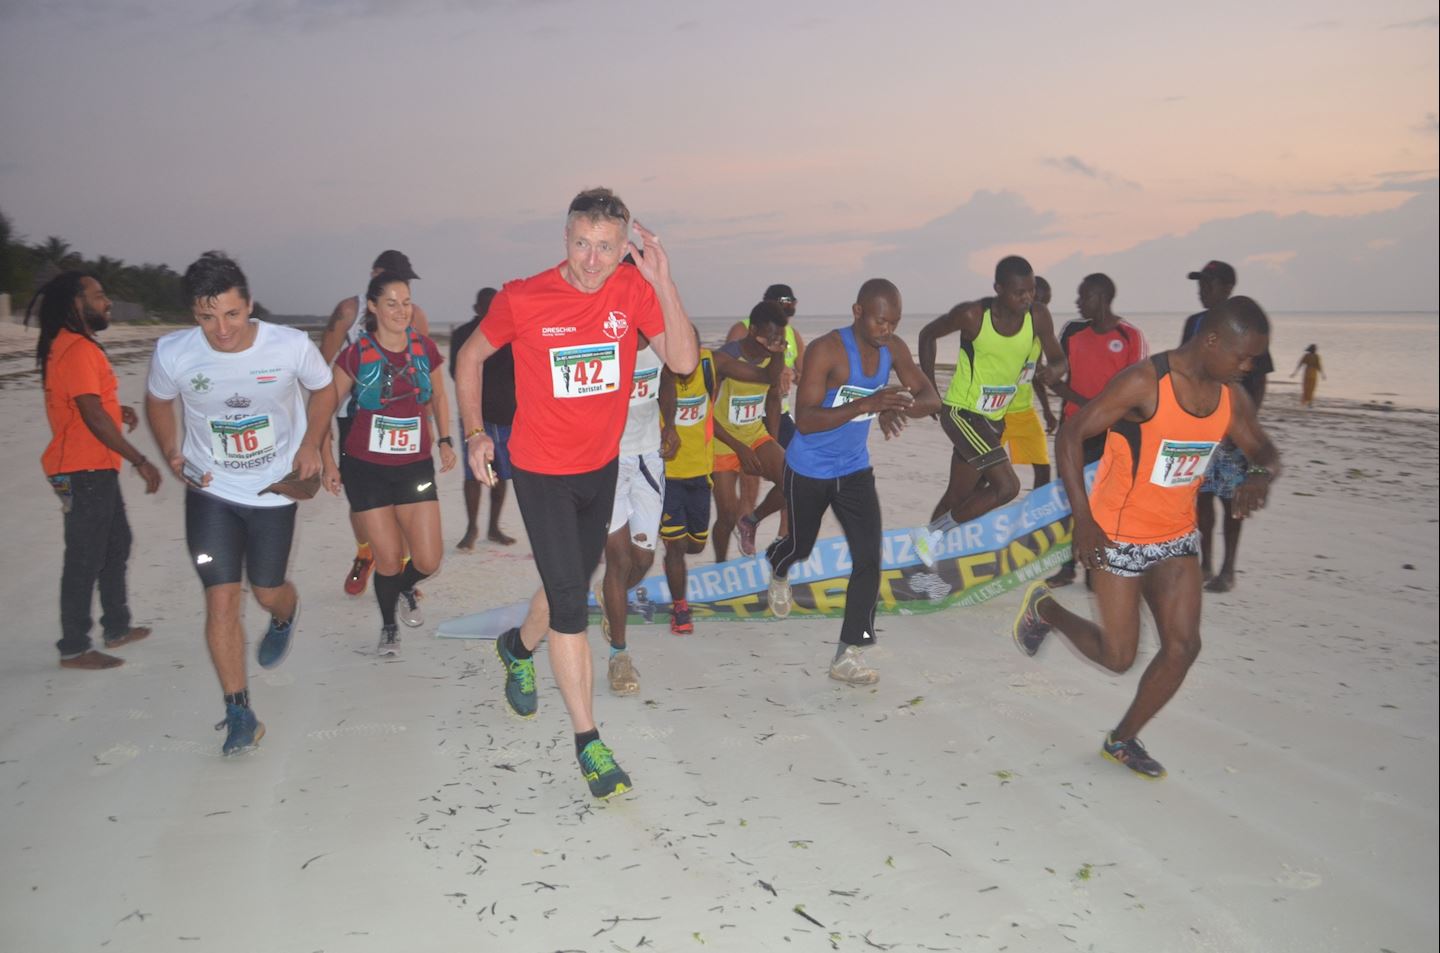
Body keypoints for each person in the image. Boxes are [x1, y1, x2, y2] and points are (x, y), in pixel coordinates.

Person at [455, 187, 698, 800]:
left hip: (601, 468)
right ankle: (589, 743)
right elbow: (470, 356)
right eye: (583, 245)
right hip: (539, 470)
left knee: (572, 578)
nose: (593, 261)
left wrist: (664, 280)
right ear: (566, 238)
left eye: (608, 248)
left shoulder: (631, 289)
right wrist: (477, 433)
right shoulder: (524, 297)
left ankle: (517, 648)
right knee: (571, 601)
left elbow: (684, 361)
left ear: (625, 250)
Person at [1011, 296, 1280, 780]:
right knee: (1118, 658)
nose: (1249, 366)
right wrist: (1084, 520)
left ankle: (1122, 739)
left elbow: (1262, 447)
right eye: (1243, 356)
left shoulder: (1228, 397)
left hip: (1177, 536)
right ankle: (1044, 610)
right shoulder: (1145, 383)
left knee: (1184, 647)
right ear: (1212, 340)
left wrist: (1258, 472)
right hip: (1117, 533)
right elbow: (1072, 434)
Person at [145, 252, 332, 755]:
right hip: (211, 492)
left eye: (231, 314)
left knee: (267, 590)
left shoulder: (289, 345)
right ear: (194, 313)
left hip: (273, 490)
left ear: (248, 304)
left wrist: (312, 443)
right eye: (207, 317)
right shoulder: (174, 353)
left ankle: (285, 614)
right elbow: (159, 401)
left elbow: (324, 388)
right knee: (222, 599)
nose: (221, 329)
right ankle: (239, 712)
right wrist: (171, 452)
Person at [765, 279, 941, 684]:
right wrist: (869, 403)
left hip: (854, 469)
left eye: (894, 323)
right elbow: (805, 420)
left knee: (868, 558)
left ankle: (849, 653)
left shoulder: (892, 349)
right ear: (858, 312)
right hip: (808, 468)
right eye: (881, 321)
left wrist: (896, 405)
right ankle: (777, 568)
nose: (887, 331)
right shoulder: (828, 350)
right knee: (799, 546)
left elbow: (931, 398)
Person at [299, 273, 456, 656]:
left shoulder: (424, 348)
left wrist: (446, 439)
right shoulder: (356, 353)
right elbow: (324, 403)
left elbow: (438, 395)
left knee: (429, 559)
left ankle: (405, 587)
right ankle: (388, 626)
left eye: (406, 302)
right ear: (372, 307)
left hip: (414, 466)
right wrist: (325, 460)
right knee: (386, 560)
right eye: (391, 303)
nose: (401, 310)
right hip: (366, 470)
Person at [31, 272, 162, 670]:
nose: (107, 302)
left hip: (94, 467)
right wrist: (139, 460)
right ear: (76, 304)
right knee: (85, 557)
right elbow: (89, 414)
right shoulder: (75, 349)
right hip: (81, 469)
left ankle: (117, 626)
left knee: (115, 544)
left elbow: (88, 404)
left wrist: (115, 410)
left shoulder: (76, 347)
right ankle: (73, 646)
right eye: (99, 296)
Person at [912, 256, 1067, 566]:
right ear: (998, 289)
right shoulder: (972, 315)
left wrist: (1054, 372)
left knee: (958, 495)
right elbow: (927, 335)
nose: (1027, 298)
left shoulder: (1038, 316)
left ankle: (922, 559)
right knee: (1007, 487)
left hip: (994, 418)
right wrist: (929, 388)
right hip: (961, 412)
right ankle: (932, 534)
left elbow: (1059, 359)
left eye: (1031, 290)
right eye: (1018, 292)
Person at [319, 250, 433, 596]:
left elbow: (423, 376)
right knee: (363, 501)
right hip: (355, 417)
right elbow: (321, 368)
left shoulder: (416, 317)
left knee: (403, 499)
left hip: (402, 422)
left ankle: (398, 569)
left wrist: (426, 425)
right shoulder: (349, 311)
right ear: (373, 274)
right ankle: (366, 553)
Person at [1043, 274, 1149, 587]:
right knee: (1067, 499)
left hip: (1114, 434)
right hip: (1074, 431)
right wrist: (1060, 385)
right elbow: (1057, 371)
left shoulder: (1130, 336)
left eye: (1084, 296)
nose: (1078, 303)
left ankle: (1095, 567)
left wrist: (1104, 412)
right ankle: (1065, 566)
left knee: (1104, 502)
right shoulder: (1073, 332)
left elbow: (1139, 391)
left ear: (1101, 298)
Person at [1180, 261, 1274, 593]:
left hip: (1232, 433)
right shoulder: (1194, 324)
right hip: (1198, 429)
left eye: (1208, 284)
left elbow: (1258, 382)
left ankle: (1228, 568)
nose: (1202, 290)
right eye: (1200, 284)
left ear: (1226, 288)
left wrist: (1243, 429)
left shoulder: (1244, 327)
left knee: (1232, 500)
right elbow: (1183, 372)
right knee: (1201, 498)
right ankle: (1205, 562)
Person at [591, 334, 677, 695]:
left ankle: (610, 596)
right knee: (620, 560)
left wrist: (669, 424)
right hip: (609, 461)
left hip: (649, 459)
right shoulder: (604, 344)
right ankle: (619, 656)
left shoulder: (661, 344)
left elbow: (669, 381)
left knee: (643, 560)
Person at [713, 302, 788, 560]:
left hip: (755, 434)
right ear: (752, 329)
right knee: (726, 516)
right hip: (721, 439)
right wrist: (739, 448)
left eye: (779, 338)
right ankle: (721, 565)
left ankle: (751, 521)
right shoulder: (725, 358)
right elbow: (704, 416)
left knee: (794, 481)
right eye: (769, 337)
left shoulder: (774, 357)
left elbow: (774, 399)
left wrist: (773, 445)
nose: (774, 343)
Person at [727, 284, 806, 530]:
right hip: (746, 414)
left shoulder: (793, 335)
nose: (787, 309)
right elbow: (726, 370)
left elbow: (804, 376)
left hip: (779, 413)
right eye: (782, 304)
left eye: (791, 304)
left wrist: (791, 372)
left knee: (796, 474)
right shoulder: (742, 329)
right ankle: (744, 524)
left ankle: (785, 535)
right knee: (750, 480)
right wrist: (771, 371)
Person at [449, 287, 516, 549]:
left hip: (507, 414)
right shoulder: (462, 334)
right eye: (486, 307)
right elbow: (458, 373)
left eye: (495, 306)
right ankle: (471, 528)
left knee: (500, 474)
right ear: (477, 309)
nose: (490, 312)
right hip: (475, 417)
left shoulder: (511, 333)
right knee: (471, 475)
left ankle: (493, 527)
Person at [999, 275, 1059, 488]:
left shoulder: (1040, 336)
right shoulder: (1004, 329)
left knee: (1043, 468)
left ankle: (1036, 518)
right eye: (1040, 301)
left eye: (1047, 303)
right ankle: (973, 518)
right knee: (985, 474)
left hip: (1024, 412)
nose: (1043, 308)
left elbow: (1033, 374)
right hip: (996, 413)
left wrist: (1047, 411)